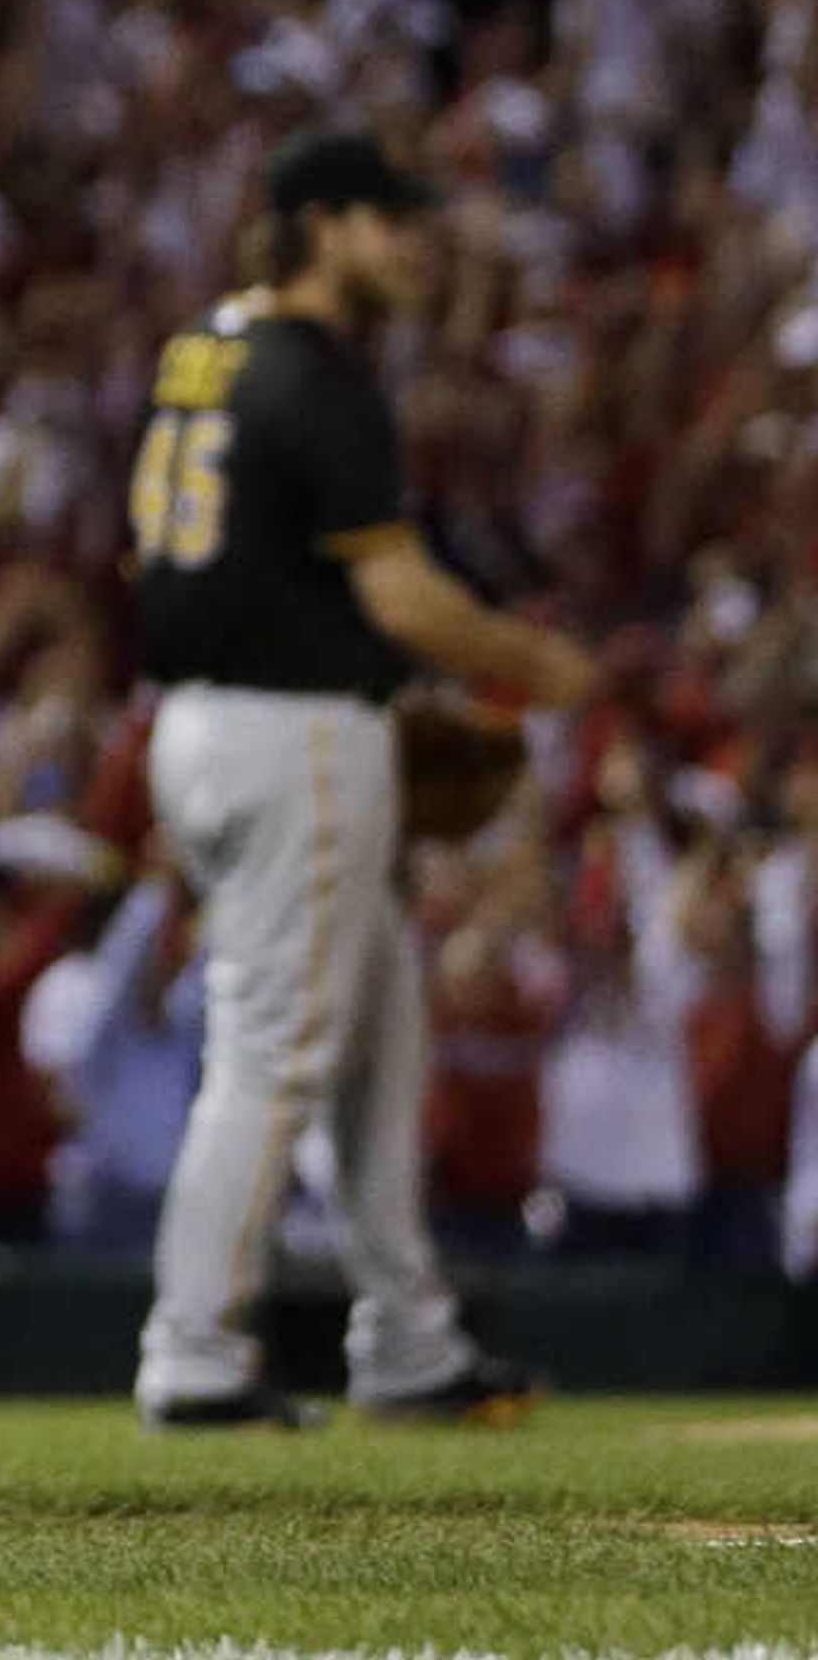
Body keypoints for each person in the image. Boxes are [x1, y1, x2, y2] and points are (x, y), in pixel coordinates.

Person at [123, 130, 598, 1428]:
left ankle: (408, 1344)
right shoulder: (317, 370)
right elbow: (400, 593)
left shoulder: (205, 346)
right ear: (321, 224)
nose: (411, 243)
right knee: (273, 1051)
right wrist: (541, 665)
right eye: (388, 221)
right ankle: (196, 1355)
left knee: (382, 1036)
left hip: (217, 719)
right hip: (293, 733)